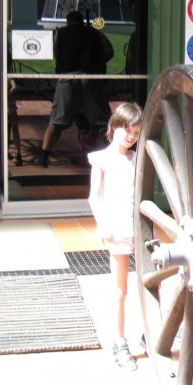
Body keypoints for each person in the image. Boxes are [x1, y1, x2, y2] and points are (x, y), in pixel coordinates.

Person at [87, 101, 143, 370]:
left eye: (136, 131)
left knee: (150, 281)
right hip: (118, 228)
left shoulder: (138, 157)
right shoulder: (102, 159)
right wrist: (103, 225)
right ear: (114, 127)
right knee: (120, 290)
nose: (131, 136)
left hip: (140, 229)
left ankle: (150, 331)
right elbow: (94, 196)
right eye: (127, 130)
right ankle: (119, 341)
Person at [34, 10, 111, 167]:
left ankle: (43, 157)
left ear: (68, 21)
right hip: (90, 78)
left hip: (67, 78)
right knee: (102, 120)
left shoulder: (60, 34)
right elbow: (109, 51)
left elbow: (58, 54)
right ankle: (107, 153)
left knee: (57, 121)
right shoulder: (93, 33)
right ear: (82, 21)